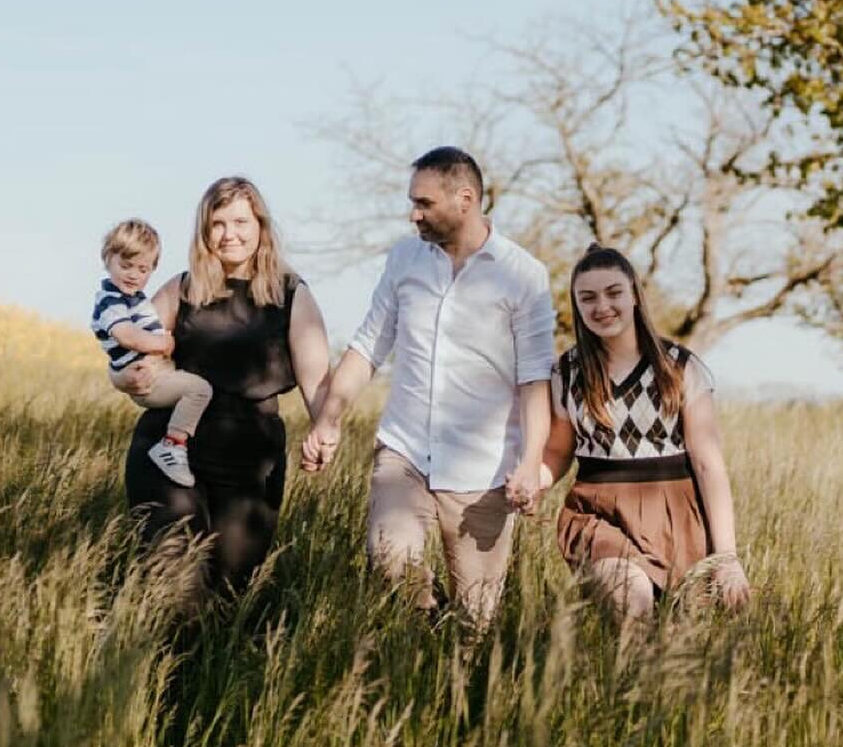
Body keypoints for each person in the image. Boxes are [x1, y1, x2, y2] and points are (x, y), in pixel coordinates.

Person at [300, 146, 555, 627]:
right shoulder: (405, 258)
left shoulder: (524, 276)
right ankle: (424, 623)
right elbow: (368, 346)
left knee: (475, 625)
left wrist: (529, 463)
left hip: (484, 472)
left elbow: (535, 380)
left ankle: (448, 660)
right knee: (391, 557)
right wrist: (328, 418)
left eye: (424, 204)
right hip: (407, 452)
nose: (413, 214)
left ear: (465, 199)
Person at [111, 177, 331, 591]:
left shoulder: (290, 293)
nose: (229, 234)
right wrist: (125, 378)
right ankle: (155, 655)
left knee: (232, 588)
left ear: (261, 226)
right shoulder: (182, 289)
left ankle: (214, 655)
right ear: (204, 231)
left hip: (250, 458)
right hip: (171, 446)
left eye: (240, 222)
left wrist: (324, 428)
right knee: (176, 583)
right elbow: (128, 357)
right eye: (218, 224)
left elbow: (317, 379)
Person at [543, 243, 750, 623]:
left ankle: (633, 684)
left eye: (613, 293)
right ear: (576, 305)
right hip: (597, 514)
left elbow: (708, 465)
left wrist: (727, 558)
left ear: (635, 295)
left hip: (676, 515)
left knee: (679, 640)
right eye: (587, 298)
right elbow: (558, 451)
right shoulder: (566, 373)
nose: (601, 306)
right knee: (632, 603)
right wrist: (531, 482)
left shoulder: (681, 368)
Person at [92, 217, 211, 488]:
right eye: (126, 265)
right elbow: (127, 336)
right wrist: (161, 344)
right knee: (199, 390)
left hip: (157, 371)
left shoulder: (133, 298)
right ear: (107, 258)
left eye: (143, 269)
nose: (134, 274)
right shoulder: (111, 301)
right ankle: (172, 445)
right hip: (149, 380)